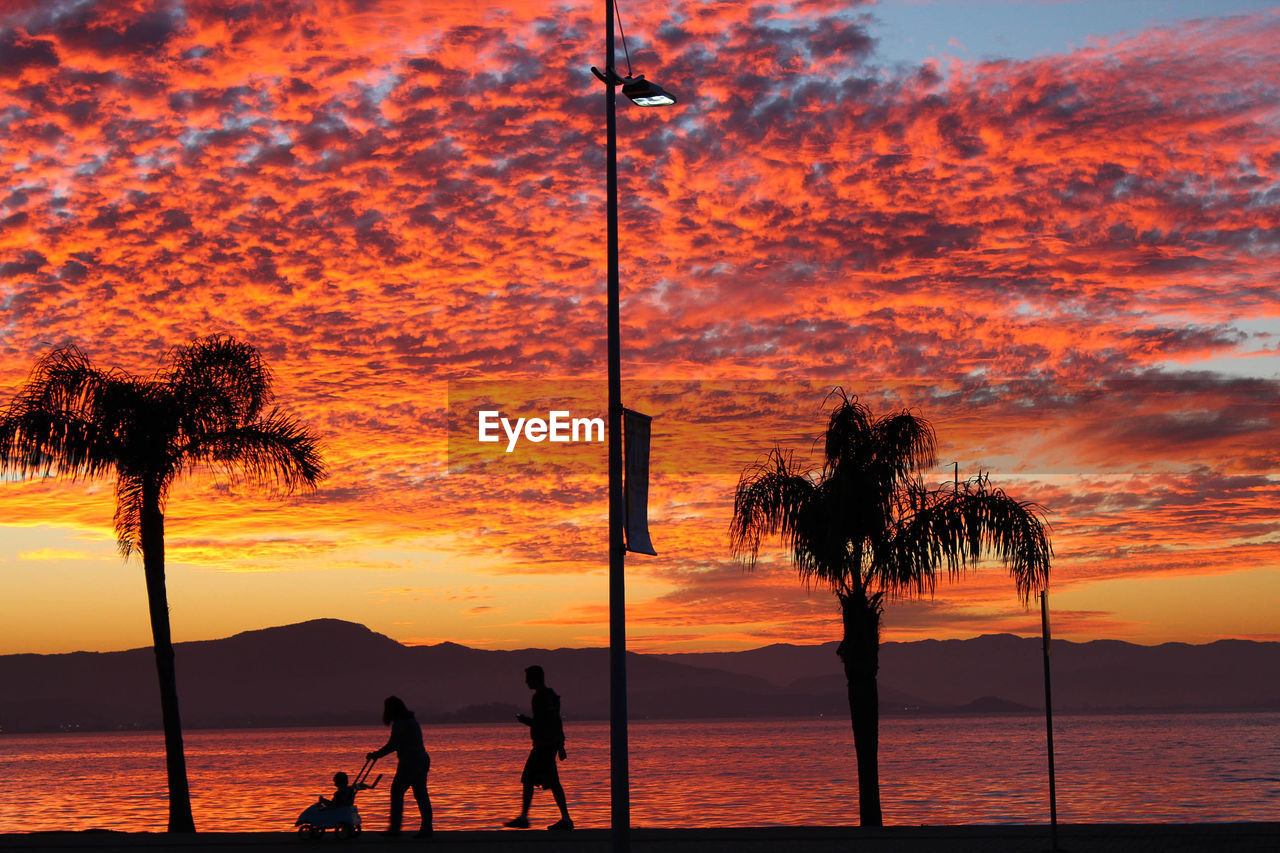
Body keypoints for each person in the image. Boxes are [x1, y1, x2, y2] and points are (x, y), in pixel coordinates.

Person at [504, 665, 572, 831]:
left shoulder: (539, 697)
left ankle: (524, 818)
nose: (526, 682)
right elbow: (556, 721)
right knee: (553, 783)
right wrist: (561, 745)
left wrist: (524, 720)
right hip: (551, 745)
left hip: (542, 746)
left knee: (528, 779)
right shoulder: (552, 696)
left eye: (528, 678)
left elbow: (541, 722)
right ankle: (565, 819)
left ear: (535, 679)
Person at [367, 695, 432, 838]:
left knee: (397, 792)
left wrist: (376, 755)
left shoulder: (400, 723)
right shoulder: (411, 720)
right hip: (422, 758)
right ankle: (427, 828)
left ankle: (395, 829)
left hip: (410, 761)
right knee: (421, 794)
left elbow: (393, 745)